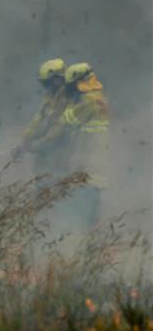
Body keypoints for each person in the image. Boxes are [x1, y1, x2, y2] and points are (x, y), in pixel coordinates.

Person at [59, 62, 111, 227]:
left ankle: (88, 242)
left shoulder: (89, 101)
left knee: (84, 210)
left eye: (71, 86)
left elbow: (67, 120)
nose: (70, 90)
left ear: (79, 82)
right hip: (97, 160)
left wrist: (65, 108)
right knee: (92, 206)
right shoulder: (100, 97)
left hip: (87, 161)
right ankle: (92, 240)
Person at [13, 58, 71, 179]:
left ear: (58, 79)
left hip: (61, 161)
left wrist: (34, 146)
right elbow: (37, 121)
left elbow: (59, 130)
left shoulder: (68, 98)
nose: (46, 87)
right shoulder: (50, 97)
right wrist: (24, 141)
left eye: (47, 82)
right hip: (45, 160)